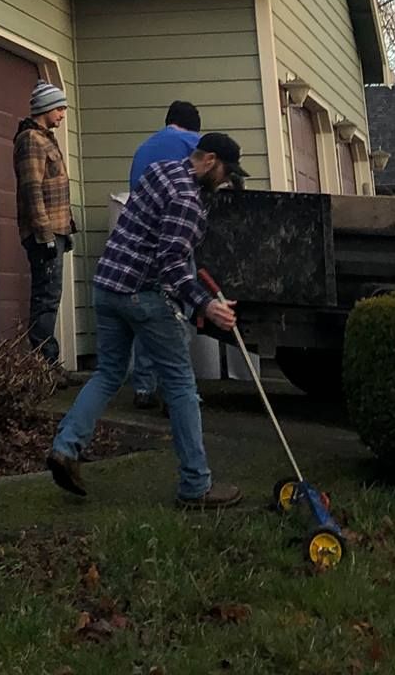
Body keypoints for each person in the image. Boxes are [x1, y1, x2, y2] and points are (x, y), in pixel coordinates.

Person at [45, 133, 247, 509]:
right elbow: (172, 264)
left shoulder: (159, 171)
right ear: (209, 160)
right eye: (224, 173)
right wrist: (206, 306)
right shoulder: (188, 199)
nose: (225, 182)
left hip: (107, 287)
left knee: (107, 374)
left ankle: (65, 447)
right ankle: (196, 486)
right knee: (181, 385)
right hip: (141, 294)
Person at [126, 101, 202, 408]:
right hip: (175, 239)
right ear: (191, 127)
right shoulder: (193, 144)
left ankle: (144, 387)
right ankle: (177, 392)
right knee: (177, 314)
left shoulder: (143, 148)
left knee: (148, 312)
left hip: (140, 245)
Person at [13, 78, 76, 364]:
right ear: (46, 108)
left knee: (51, 296)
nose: (63, 114)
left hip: (57, 229)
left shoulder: (46, 138)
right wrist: (46, 235)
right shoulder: (31, 141)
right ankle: (44, 364)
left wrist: (66, 229)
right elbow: (32, 189)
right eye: (59, 108)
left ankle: (47, 361)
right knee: (46, 298)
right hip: (44, 233)